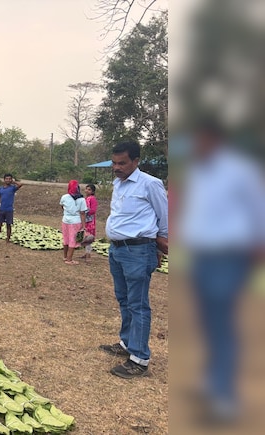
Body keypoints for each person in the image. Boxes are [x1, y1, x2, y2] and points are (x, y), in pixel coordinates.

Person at [177, 123, 265, 422]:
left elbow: (258, 210)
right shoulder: (198, 173)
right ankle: (212, 381)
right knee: (207, 320)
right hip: (202, 256)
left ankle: (225, 397)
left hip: (229, 255)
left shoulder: (241, 171)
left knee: (223, 322)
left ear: (214, 139)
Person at [99, 141, 168, 379]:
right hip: (118, 250)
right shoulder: (118, 183)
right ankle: (127, 342)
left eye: (122, 163)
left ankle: (139, 359)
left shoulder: (150, 184)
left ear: (136, 161)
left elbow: (164, 216)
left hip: (138, 250)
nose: (116, 168)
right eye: (114, 163)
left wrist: (161, 244)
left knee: (137, 304)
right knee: (124, 298)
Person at [59, 180, 88, 265]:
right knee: (73, 240)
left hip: (65, 220)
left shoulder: (64, 197)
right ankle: (69, 259)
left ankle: (65, 256)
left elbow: (62, 206)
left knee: (66, 239)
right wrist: (84, 226)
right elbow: (82, 213)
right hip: (75, 221)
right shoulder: (81, 199)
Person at [0, 173, 22, 245]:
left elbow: (20, 184)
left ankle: (7, 240)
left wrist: (14, 182)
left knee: (8, 225)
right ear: (4, 180)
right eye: (6, 179)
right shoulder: (0, 189)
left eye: (9, 179)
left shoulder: (13, 188)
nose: (8, 180)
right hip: (1, 209)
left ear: (11, 180)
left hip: (9, 210)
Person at [81, 184, 98, 260]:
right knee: (85, 236)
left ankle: (88, 254)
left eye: (89, 190)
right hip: (85, 220)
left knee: (89, 237)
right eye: (86, 189)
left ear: (93, 191)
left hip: (90, 221)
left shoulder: (92, 199)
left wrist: (85, 211)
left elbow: (93, 210)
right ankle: (86, 253)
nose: (87, 191)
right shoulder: (86, 198)